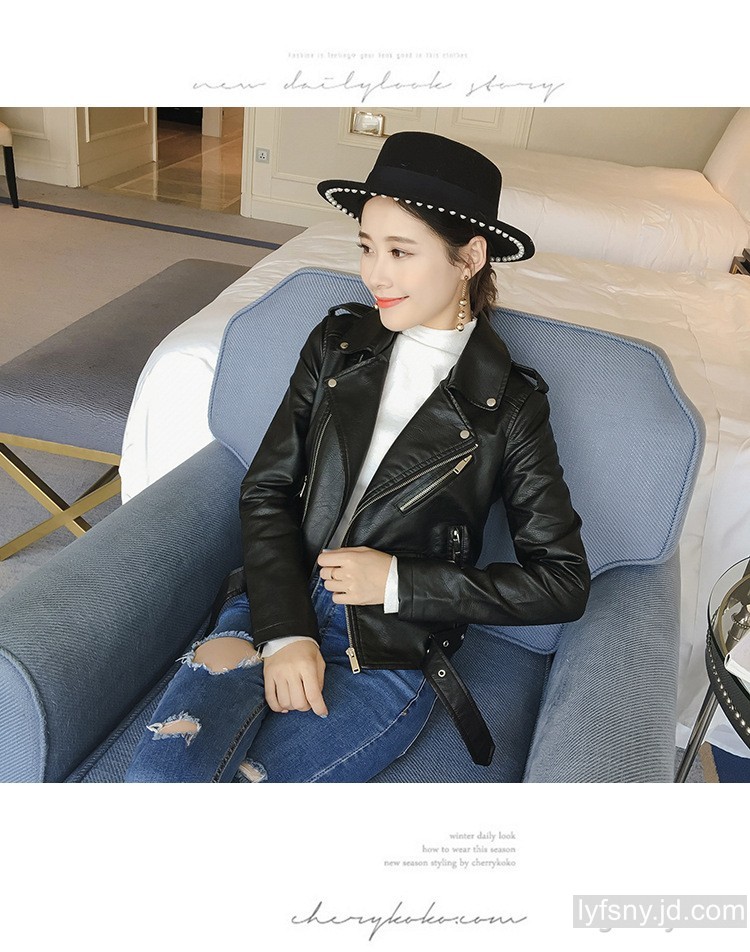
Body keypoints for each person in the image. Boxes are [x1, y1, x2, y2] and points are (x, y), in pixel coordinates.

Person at [125, 131, 590, 783]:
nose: (375, 274)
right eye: (367, 246)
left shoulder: (509, 406)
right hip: (272, 601)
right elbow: (267, 490)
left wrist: (398, 580)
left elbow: (562, 582)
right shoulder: (336, 344)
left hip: (387, 651)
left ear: (470, 257)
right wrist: (286, 631)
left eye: (401, 251)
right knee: (160, 781)